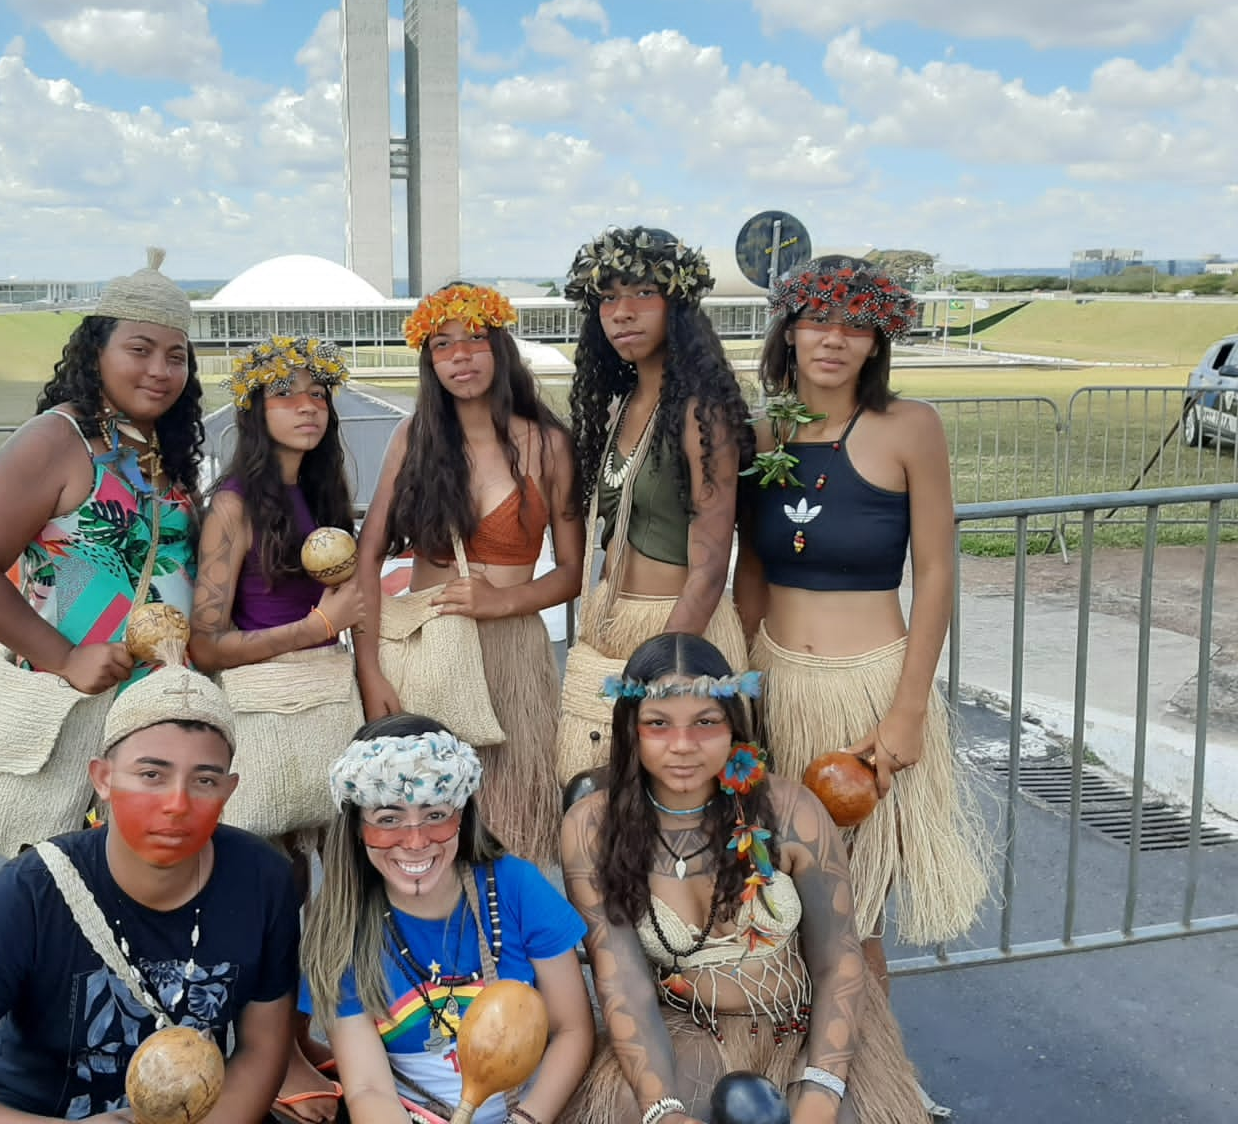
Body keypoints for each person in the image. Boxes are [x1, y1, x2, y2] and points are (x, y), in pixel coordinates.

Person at [0, 667, 300, 1122]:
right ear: (103, 779)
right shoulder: (33, 893)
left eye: (204, 780)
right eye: (151, 774)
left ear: (228, 791)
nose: (177, 803)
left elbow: (262, 1049)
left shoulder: (261, 879)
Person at [732, 256, 991, 968]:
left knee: (856, 917)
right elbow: (750, 569)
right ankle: (791, 1065)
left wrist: (907, 710)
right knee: (775, 901)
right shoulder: (762, 437)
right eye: (816, 320)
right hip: (777, 690)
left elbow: (936, 573)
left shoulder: (911, 427)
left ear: (878, 341)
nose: (833, 339)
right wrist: (738, 692)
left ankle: (870, 1075)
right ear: (789, 333)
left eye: (854, 325)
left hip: (868, 699)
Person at [561, 634, 928, 1124]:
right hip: (685, 1027)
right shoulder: (592, 827)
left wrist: (821, 1087)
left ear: (733, 725)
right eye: (658, 725)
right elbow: (622, 980)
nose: (683, 746)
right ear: (631, 729)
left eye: (705, 722)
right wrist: (661, 1108)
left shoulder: (792, 810)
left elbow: (839, 961)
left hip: (804, 1024)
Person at [354, 283, 582, 865]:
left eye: (475, 339)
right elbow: (368, 555)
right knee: (428, 824)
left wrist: (498, 603)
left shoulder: (548, 444)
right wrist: (372, 671)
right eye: (442, 344)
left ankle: (500, 948)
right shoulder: (415, 437)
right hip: (427, 654)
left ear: (501, 348)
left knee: (507, 829)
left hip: (512, 658)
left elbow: (573, 573)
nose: (460, 355)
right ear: (429, 361)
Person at [278, 716, 594, 1124]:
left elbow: (573, 1030)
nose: (415, 841)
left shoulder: (516, 886)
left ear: (462, 816)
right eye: (389, 818)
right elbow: (369, 1088)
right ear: (357, 828)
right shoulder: (343, 930)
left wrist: (527, 1120)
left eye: (435, 814)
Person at [0, 246, 203, 696]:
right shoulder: (55, 440)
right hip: (76, 700)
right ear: (96, 353)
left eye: (176, 357)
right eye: (139, 351)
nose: (160, 370)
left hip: (168, 702)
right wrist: (65, 659)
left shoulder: (167, 448)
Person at [556, 227, 753, 782]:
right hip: (611, 622)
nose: (622, 312)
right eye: (608, 298)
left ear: (679, 305)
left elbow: (711, 566)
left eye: (643, 293)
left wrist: (663, 672)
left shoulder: (700, 411)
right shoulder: (619, 407)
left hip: (677, 630)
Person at [189, 335, 366, 888]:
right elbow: (206, 644)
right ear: (253, 412)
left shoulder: (323, 491)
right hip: (267, 712)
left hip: (330, 699)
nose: (308, 406)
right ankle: (277, 978)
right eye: (286, 395)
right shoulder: (233, 504)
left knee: (345, 877)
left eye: (319, 394)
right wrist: (316, 628)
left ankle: (330, 976)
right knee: (272, 879)